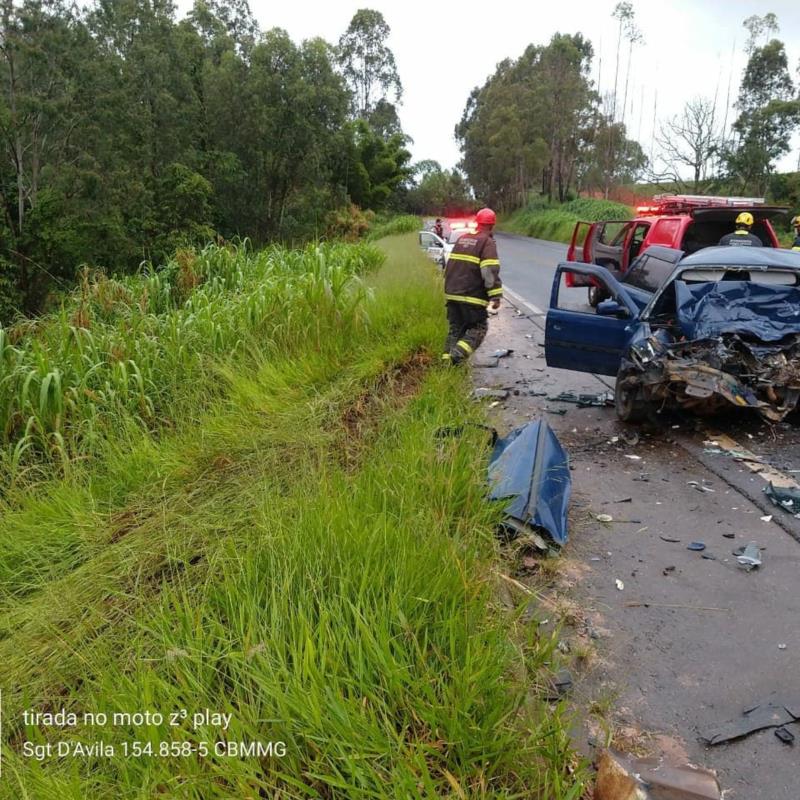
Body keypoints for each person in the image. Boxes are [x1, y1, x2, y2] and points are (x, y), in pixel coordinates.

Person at [441, 207, 502, 365]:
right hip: (471, 296)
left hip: (452, 292)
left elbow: (449, 265)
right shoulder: (486, 242)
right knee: (478, 328)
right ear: (492, 225)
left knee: (456, 330)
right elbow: (489, 271)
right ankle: (457, 356)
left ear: (477, 223)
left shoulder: (462, 239)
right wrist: (495, 295)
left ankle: (446, 364)